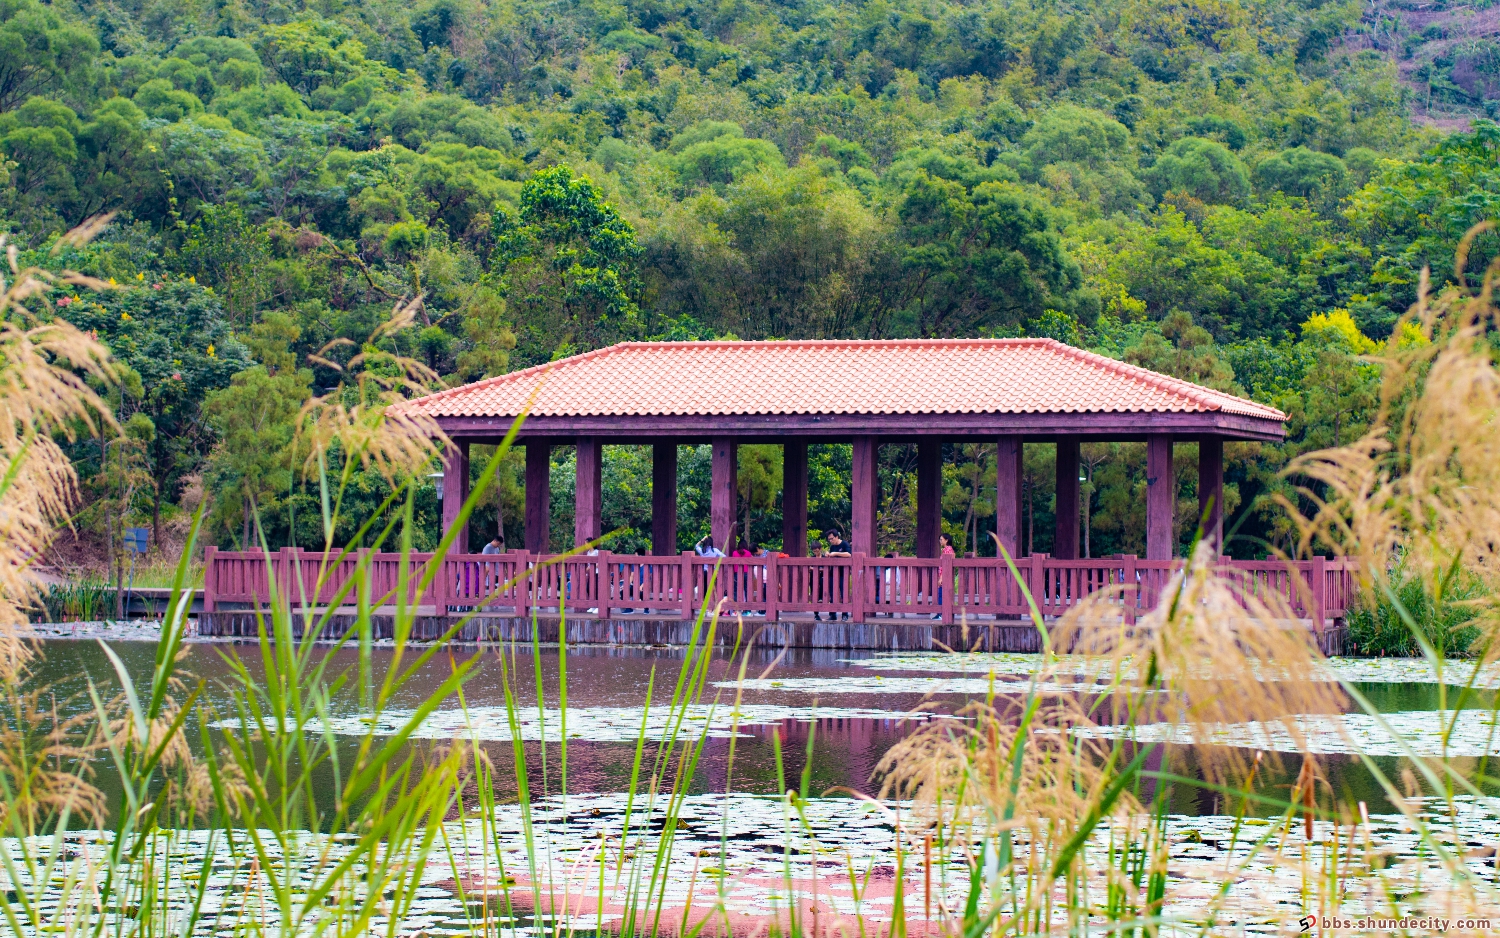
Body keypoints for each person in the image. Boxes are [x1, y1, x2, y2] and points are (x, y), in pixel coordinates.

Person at [934, 533, 955, 619]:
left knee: (941, 595)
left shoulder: (947, 550)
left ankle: (941, 614)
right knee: (944, 594)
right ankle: (945, 613)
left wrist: (941, 578)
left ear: (946, 540)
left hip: (944, 576)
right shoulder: (950, 549)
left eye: (941, 539)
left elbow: (945, 566)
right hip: (947, 576)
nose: (940, 541)